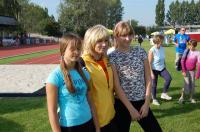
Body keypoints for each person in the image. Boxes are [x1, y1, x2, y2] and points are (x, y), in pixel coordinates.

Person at [82, 24, 139, 132]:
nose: (104, 44)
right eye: (99, 41)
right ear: (90, 41)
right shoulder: (82, 64)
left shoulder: (107, 59)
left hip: (111, 117)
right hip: (94, 121)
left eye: (106, 40)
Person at [109, 21, 162, 132]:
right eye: (123, 35)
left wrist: (147, 103)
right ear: (116, 36)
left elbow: (148, 79)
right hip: (123, 104)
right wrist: (131, 109)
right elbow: (117, 86)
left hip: (142, 101)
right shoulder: (112, 57)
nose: (128, 38)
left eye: (130, 34)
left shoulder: (140, 51)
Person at [46, 33, 100, 132]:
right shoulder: (55, 77)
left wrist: (97, 127)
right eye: (72, 49)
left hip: (88, 123)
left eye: (78, 48)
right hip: (69, 127)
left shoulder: (84, 73)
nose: (76, 52)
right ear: (63, 50)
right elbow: (52, 111)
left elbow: (91, 102)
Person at [148, 35, 172, 106]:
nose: (163, 41)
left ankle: (164, 94)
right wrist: (151, 73)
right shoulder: (152, 50)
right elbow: (148, 63)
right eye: (162, 40)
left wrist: (165, 67)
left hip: (162, 68)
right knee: (154, 85)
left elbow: (163, 59)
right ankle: (154, 99)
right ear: (158, 41)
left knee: (169, 78)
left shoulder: (162, 48)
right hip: (154, 69)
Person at [178, 39, 200, 104]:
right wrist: (184, 71)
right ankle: (182, 98)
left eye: (191, 46)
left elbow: (199, 64)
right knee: (186, 84)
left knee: (192, 85)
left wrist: (198, 74)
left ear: (195, 46)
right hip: (186, 71)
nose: (190, 47)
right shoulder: (186, 51)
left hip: (193, 71)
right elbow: (182, 61)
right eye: (189, 45)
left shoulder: (198, 52)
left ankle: (191, 98)